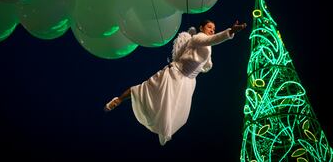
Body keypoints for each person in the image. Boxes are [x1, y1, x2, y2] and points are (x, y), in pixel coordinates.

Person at [103, 19, 247, 145]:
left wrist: (204, 65)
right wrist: (230, 31)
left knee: (170, 109)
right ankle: (119, 99)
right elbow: (212, 40)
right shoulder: (197, 38)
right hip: (174, 74)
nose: (212, 30)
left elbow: (207, 62)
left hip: (186, 82)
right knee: (144, 88)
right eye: (210, 27)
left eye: (213, 29)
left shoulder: (208, 45)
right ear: (202, 28)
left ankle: (162, 124)